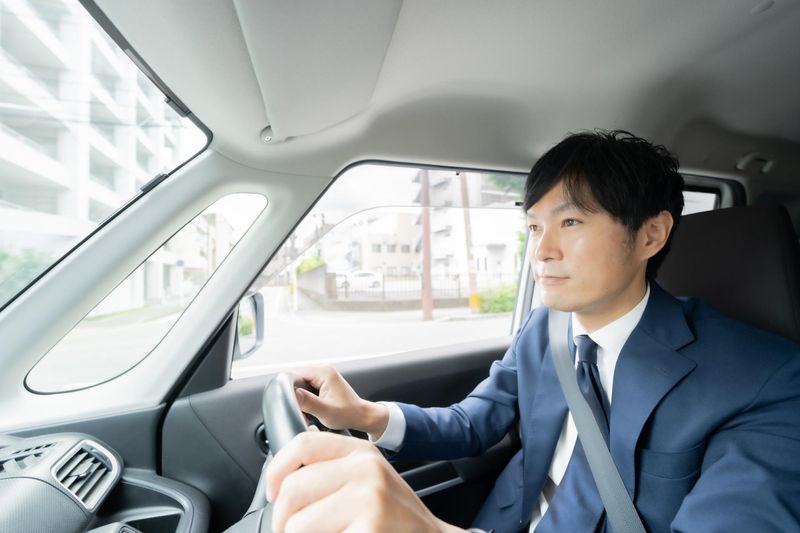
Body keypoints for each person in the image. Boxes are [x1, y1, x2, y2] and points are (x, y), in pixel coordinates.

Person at [265, 130, 800, 533]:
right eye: (534, 226)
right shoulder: (547, 327)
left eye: (570, 223)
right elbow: (474, 423)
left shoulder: (769, 382)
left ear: (650, 235)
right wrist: (364, 415)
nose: (541, 250)